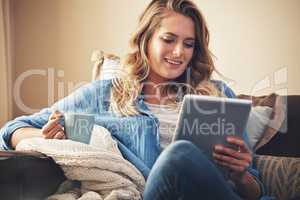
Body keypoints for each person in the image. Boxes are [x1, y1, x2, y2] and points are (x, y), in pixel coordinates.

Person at [0, 0, 271, 199]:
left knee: (182, 155)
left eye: (189, 44)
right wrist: (47, 136)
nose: (179, 52)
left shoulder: (218, 95)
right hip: (152, 194)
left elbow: (255, 190)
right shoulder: (105, 94)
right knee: (178, 155)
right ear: (146, 40)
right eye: (168, 39)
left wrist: (240, 174)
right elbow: (11, 130)